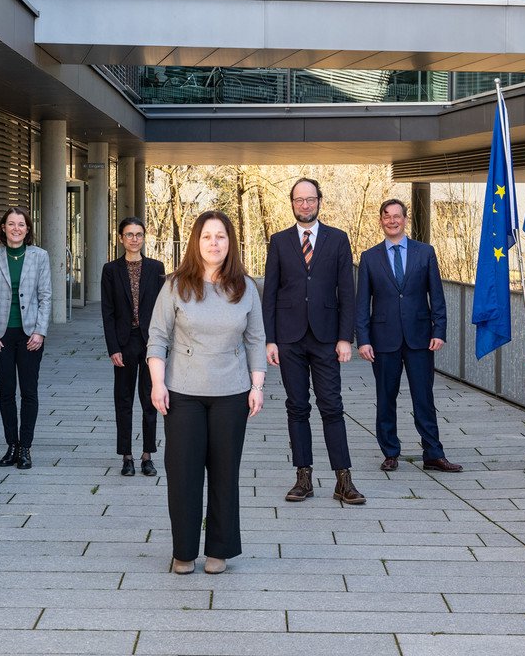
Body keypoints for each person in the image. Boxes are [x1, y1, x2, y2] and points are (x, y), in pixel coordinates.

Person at [147, 211, 265, 575]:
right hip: (183, 393)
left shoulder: (245, 286)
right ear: (195, 243)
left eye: (221, 237)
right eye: (207, 237)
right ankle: (183, 551)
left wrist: (257, 385)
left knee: (225, 472)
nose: (214, 243)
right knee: (183, 473)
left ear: (231, 243)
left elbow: (256, 339)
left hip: (231, 392)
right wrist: (157, 383)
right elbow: (158, 338)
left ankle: (220, 549)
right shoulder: (175, 285)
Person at [263, 177, 365, 505]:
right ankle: (303, 478)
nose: (305, 205)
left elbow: (347, 293)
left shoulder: (338, 239)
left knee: (332, 406)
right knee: (297, 407)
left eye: (310, 199)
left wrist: (344, 338)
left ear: (319, 201)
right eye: (299, 200)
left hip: (325, 338)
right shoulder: (278, 241)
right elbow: (270, 294)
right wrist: (270, 340)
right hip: (289, 338)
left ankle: (343, 480)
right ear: (292, 203)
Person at [356, 198, 461, 473]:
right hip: (383, 339)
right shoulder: (369, 257)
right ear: (381, 221)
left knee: (423, 397)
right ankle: (390, 452)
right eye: (387, 216)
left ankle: (433, 453)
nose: (392, 221)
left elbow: (436, 295)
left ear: (405, 219)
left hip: (420, 337)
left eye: (397, 216)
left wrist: (440, 330)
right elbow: (361, 303)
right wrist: (363, 339)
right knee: (385, 397)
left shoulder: (425, 253)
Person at [0, 207, 51, 470]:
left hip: (30, 333)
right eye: (11, 224)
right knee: (6, 390)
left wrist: (40, 331)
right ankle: (11, 444)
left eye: (21, 224)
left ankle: (26, 448)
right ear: (3, 228)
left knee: (29, 391)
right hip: (1, 335)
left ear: (28, 229)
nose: (16, 228)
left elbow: (46, 296)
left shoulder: (39, 256)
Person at [101, 217, 165, 476]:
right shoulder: (111, 269)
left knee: (151, 399)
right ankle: (126, 456)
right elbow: (107, 312)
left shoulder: (156, 267)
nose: (134, 239)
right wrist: (113, 347)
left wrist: (162, 346)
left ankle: (147, 455)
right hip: (124, 342)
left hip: (151, 343)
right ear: (120, 238)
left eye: (139, 234)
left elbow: (163, 310)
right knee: (123, 400)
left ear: (144, 237)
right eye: (129, 234)